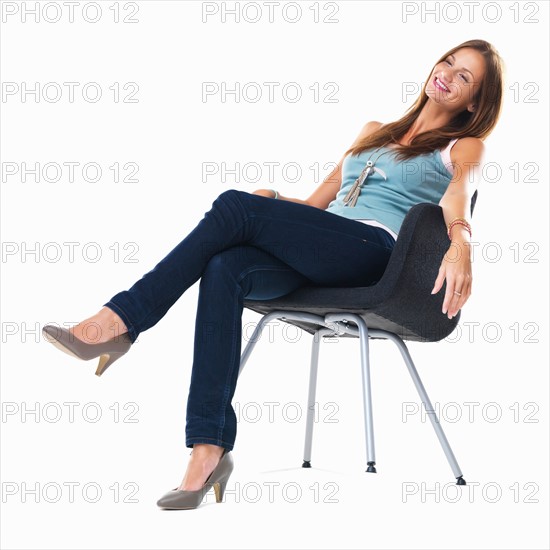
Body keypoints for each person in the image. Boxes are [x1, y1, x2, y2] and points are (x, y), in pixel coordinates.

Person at [42, 39, 504, 510]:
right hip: (324, 246)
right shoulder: (372, 131)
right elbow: (314, 206)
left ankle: (121, 319)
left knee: (233, 207)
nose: (448, 73)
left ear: (473, 102)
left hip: (374, 254)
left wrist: (461, 242)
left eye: (465, 76)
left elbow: (458, 194)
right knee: (226, 267)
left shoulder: (461, 145)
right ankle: (208, 450)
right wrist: (275, 201)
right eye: (449, 61)